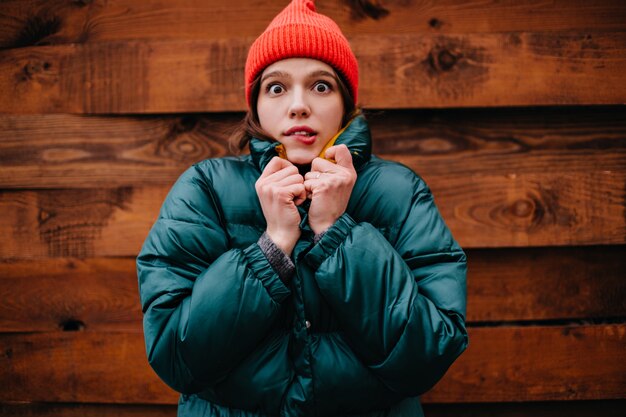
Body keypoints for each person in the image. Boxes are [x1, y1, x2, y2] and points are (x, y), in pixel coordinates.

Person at [137, 1, 468, 416]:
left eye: (321, 86)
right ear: (255, 103)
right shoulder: (205, 189)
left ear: (346, 103)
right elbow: (173, 354)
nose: (299, 105)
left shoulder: (399, 192)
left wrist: (336, 232)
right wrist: (271, 248)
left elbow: (430, 353)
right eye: (276, 87)